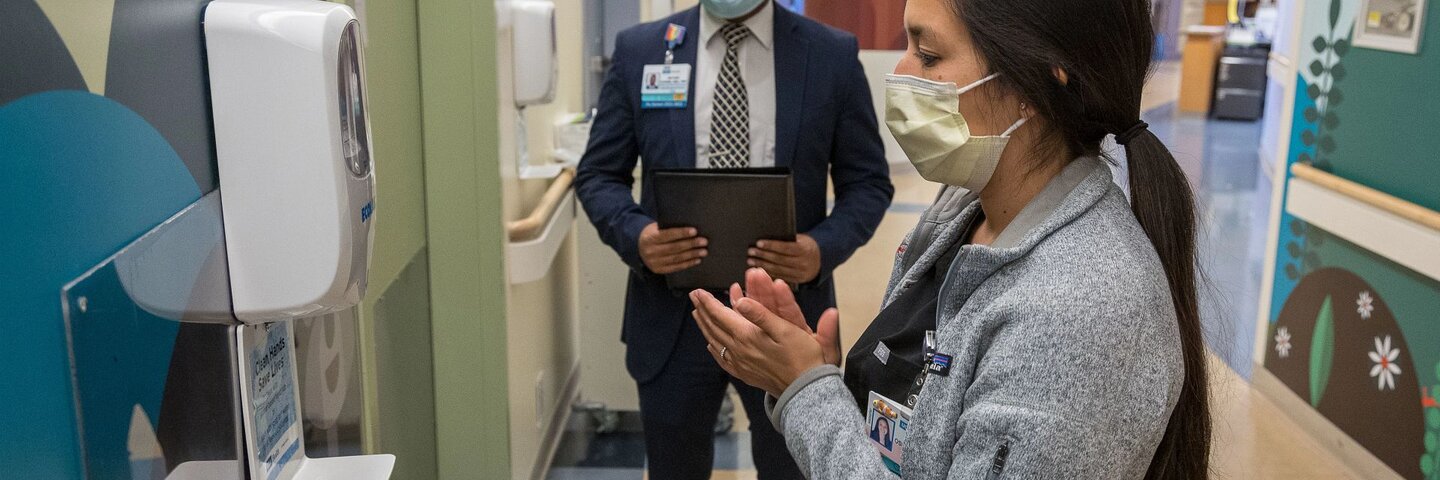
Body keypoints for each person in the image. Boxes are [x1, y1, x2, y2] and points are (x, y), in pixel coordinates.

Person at [687, 0, 1213, 477]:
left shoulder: (1082, 312)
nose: (901, 72)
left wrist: (807, 394)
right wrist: (831, 382)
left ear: (1037, 83)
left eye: (930, 55)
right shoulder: (963, 212)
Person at [573, 0, 894, 478]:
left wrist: (820, 249)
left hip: (785, 317)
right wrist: (637, 236)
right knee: (673, 467)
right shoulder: (641, 51)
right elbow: (598, 174)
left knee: (790, 467)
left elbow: (868, 183)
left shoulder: (831, 55)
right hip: (672, 316)